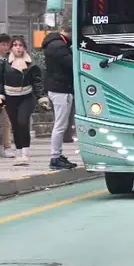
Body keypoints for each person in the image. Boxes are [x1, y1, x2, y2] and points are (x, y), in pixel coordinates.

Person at [0, 37, 48, 166]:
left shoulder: (31, 64)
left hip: (27, 96)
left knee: (23, 122)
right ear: (11, 47)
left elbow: (37, 82)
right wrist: (0, 96)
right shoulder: (4, 63)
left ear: (24, 48)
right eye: (15, 45)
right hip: (10, 97)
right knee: (15, 125)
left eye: (20, 45)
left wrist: (41, 97)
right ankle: (19, 153)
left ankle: (25, 153)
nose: (18, 47)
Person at [42, 28, 78, 169]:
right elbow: (71, 64)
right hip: (61, 89)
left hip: (58, 88)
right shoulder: (59, 46)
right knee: (60, 125)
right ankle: (55, 157)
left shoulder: (54, 44)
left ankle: (57, 155)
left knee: (61, 124)